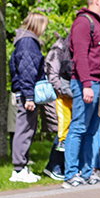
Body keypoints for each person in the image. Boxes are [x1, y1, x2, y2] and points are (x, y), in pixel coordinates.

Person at [62, 0, 100, 188]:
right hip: (85, 83)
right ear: (97, 0)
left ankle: (87, 172)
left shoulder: (99, 23)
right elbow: (80, 56)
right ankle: (70, 174)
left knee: (91, 130)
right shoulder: (83, 22)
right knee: (78, 127)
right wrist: (86, 85)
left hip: (98, 83)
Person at [9, 12, 51, 183]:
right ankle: (18, 169)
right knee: (24, 130)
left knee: (27, 129)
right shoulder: (28, 43)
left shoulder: (25, 40)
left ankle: (23, 166)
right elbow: (27, 71)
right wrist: (29, 97)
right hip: (27, 93)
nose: (45, 30)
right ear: (37, 25)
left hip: (25, 92)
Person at [42, 32, 74, 181]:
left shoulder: (66, 46)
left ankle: (58, 166)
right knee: (62, 131)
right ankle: (54, 166)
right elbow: (52, 73)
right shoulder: (59, 48)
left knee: (65, 131)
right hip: (59, 96)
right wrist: (63, 90)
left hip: (67, 95)